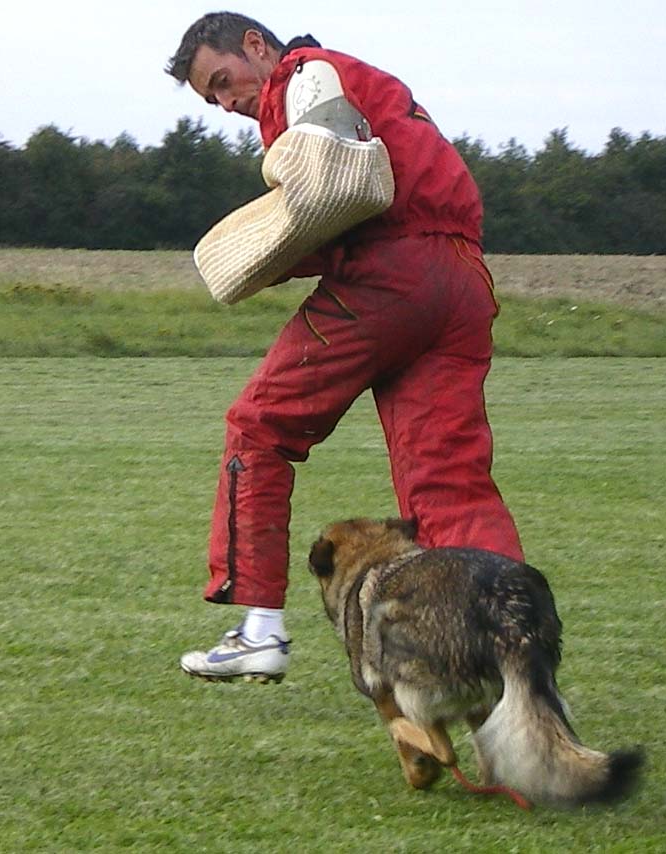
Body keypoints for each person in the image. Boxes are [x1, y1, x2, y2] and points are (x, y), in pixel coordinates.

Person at [166, 12, 524, 684]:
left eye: (222, 80)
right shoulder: (361, 79)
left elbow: (339, 184)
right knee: (447, 477)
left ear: (255, 45)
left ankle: (259, 632)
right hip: (462, 279)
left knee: (257, 430)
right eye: (211, 98)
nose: (226, 102)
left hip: (392, 277)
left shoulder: (305, 77)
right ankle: (509, 646)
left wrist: (267, 250)